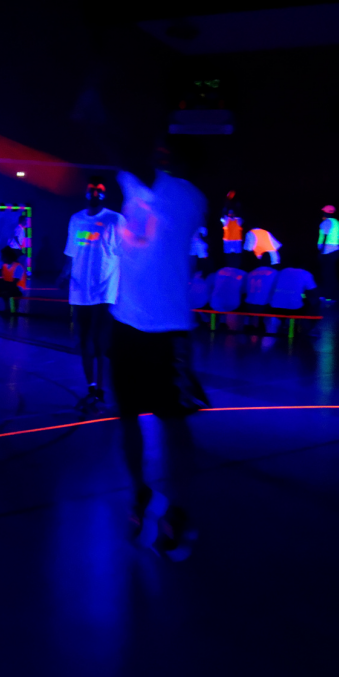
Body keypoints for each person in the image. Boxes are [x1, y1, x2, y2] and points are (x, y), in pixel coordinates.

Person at [112, 141, 208, 561]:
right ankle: (140, 495)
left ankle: (180, 512)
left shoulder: (186, 197)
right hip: (125, 325)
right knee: (128, 418)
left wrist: (95, 117)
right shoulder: (132, 185)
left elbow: (128, 160)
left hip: (168, 331)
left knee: (174, 425)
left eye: (163, 152)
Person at [59, 177, 123, 413]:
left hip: (105, 287)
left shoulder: (114, 219)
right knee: (83, 340)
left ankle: (103, 389)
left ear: (104, 194)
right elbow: (71, 250)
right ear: (86, 193)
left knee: (100, 341)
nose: (95, 192)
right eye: (91, 189)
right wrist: (64, 273)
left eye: (99, 189)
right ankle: (92, 388)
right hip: (79, 288)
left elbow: (124, 252)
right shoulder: (76, 219)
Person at [317, 205, 339, 303]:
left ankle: (328, 296)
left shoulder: (326, 222)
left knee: (327, 274)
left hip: (327, 252)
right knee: (331, 274)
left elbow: (324, 237)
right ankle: (331, 295)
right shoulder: (337, 223)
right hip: (335, 250)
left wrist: (321, 252)